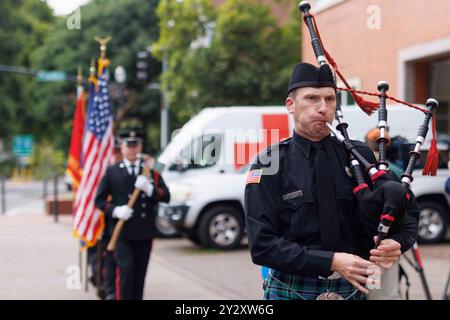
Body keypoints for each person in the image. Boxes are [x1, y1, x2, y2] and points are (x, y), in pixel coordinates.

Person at [244, 62, 420, 300]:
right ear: (291, 105)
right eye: (312, 98)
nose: (322, 107)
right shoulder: (269, 163)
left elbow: (404, 207)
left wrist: (398, 242)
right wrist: (331, 261)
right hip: (293, 286)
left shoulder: (361, 156)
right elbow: (262, 245)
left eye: (329, 99)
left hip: (354, 287)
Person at [95, 130, 170, 300]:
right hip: (122, 232)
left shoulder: (151, 169)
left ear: (140, 147)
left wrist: (150, 189)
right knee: (126, 271)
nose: (132, 150)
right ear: (121, 148)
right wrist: (116, 210)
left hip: (144, 231)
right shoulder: (112, 171)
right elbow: (99, 201)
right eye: (128, 146)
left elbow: (166, 196)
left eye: (135, 146)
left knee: (139, 274)